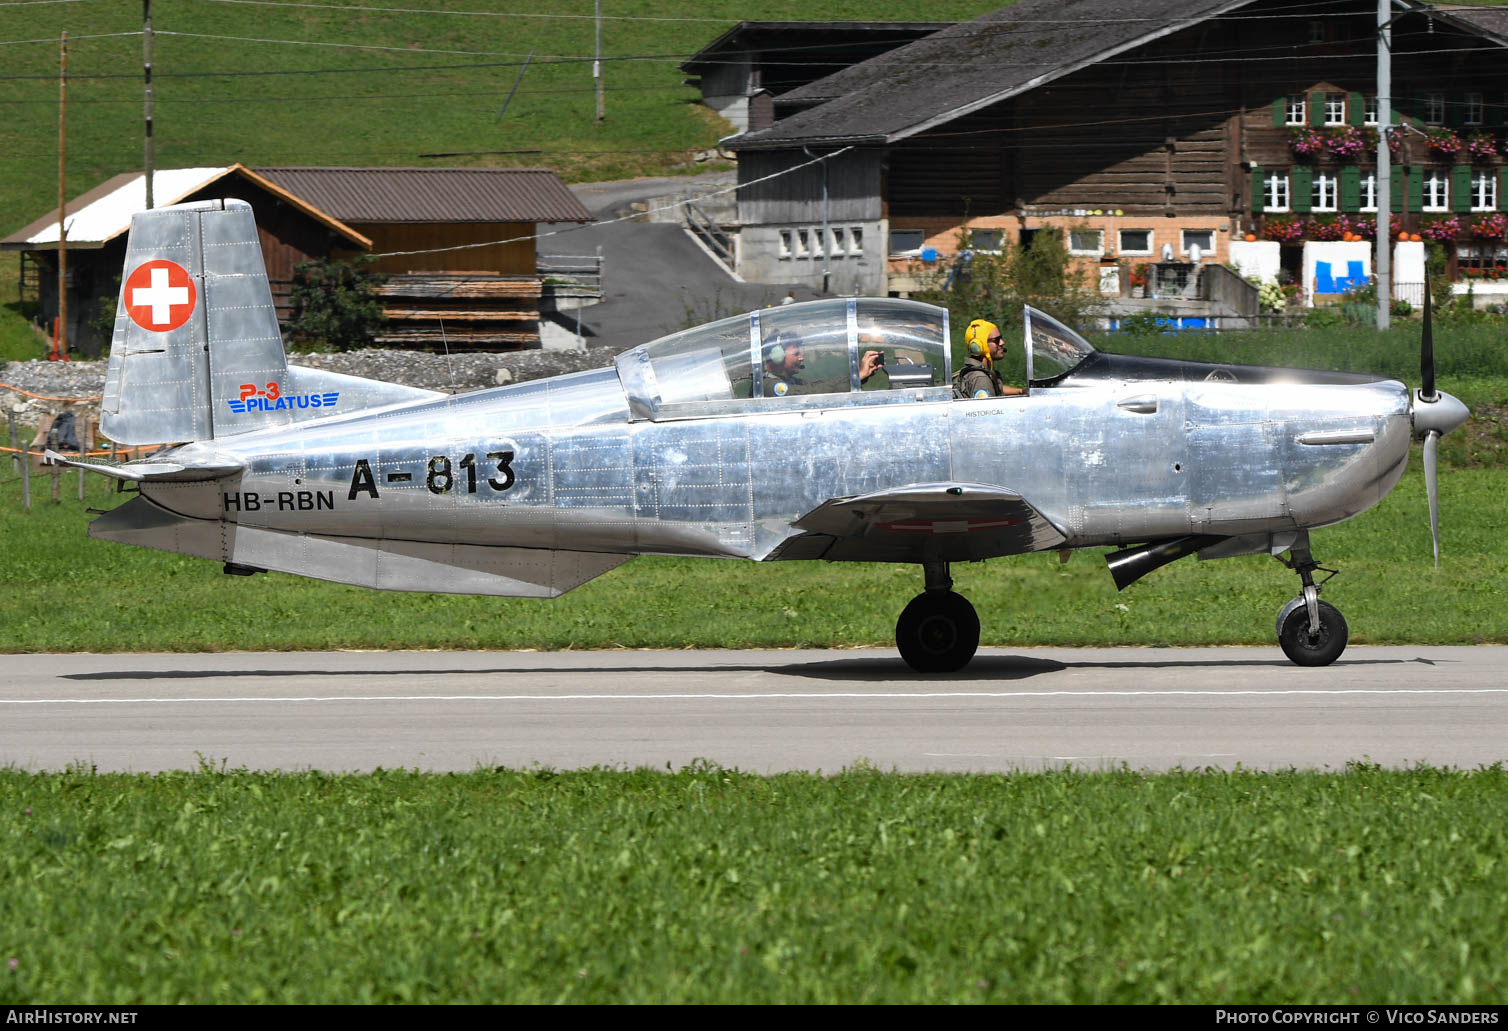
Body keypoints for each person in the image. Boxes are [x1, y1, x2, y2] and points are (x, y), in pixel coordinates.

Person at [954, 319, 1025, 399]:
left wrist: (1020, 391)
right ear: (979, 346)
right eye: (997, 340)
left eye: (1001, 338)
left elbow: (996, 387)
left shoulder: (982, 374)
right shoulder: (981, 379)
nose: (1002, 342)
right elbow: (987, 410)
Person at [763, 332, 806, 396]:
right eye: (796, 354)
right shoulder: (767, 385)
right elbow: (799, 394)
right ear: (777, 357)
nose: (801, 358)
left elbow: (812, 386)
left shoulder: (791, 380)